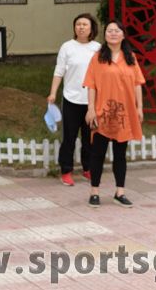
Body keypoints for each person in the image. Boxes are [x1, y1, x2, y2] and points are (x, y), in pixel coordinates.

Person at [84, 21, 145, 208]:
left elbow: (137, 84)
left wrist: (139, 108)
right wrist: (91, 109)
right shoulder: (97, 58)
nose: (113, 33)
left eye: (116, 30)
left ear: (123, 35)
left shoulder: (130, 58)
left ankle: (120, 192)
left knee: (120, 154)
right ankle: (94, 192)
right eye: (109, 30)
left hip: (124, 113)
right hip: (103, 112)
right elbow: (91, 85)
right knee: (98, 153)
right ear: (105, 35)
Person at [47, 13, 100, 186]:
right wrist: (53, 93)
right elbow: (59, 71)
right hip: (71, 99)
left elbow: (103, 74)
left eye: (85, 24)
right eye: (78, 24)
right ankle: (66, 171)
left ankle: (88, 168)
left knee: (89, 138)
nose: (81, 27)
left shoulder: (98, 48)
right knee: (69, 137)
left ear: (92, 28)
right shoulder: (67, 47)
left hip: (91, 101)